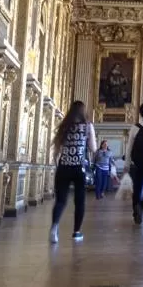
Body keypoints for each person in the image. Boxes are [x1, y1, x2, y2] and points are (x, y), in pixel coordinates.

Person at [49, 100, 97, 244]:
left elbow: (56, 150)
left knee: (61, 200)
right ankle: (76, 232)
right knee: (80, 201)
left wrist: (59, 164)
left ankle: (54, 226)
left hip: (64, 167)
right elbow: (93, 148)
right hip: (79, 168)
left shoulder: (64, 126)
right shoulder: (87, 126)